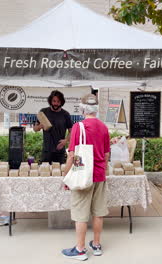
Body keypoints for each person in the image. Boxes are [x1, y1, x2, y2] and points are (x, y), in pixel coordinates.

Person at [62, 94, 110, 261]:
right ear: (96, 109)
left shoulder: (78, 127)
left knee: (80, 214)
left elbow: (72, 155)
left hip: (82, 175)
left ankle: (80, 249)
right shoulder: (104, 127)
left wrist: (66, 175)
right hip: (99, 175)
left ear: (82, 109)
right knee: (98, 212)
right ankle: (96, 245)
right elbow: (106, 154)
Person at [33, 90, 73, 163]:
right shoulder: (43, 112)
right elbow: (35, 129)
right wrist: (39, 127)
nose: (56, 103)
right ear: (50, 101)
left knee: (59, 172)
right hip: (46, 150)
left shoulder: (65, 114)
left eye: (58, 101)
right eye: (54, 101)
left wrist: (66, 141)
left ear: (61, 102)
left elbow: (71, 131)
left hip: (60, 150)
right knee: (45, 172)